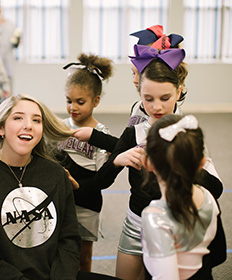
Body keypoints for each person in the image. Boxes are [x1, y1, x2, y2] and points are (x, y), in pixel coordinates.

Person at [74, 45, 223, 280]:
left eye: (165, 98)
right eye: (148, 99)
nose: (156, 107)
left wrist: (181, 165)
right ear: (139, 94)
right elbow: (100, 181)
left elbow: (216, 188)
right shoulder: (134, 133)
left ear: (179, 91)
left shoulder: (188, 134)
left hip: (179, 227)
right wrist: (117, 161)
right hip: (137, 223)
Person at [0, 94, 122, 280]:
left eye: (36, 120)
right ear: (0, 128)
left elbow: (69, 240)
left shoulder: (56, 174)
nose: (28, 125)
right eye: (18, 118)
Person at [141, 114, 225, 279]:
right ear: (202, 163)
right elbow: (219, 254)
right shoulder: (208, 197)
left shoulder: (155, 217)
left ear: (147, 162)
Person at [57, 53, 118, 272]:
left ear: (96, 101)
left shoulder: (101, 134)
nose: (73, 107)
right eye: (68, 101)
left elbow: (103, 175)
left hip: (87, 202)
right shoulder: (61, 127)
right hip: (62, 200)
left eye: (80, 102)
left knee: (83, 258)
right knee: (58, 250)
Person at [128, 25, 187, 127]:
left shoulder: (175, 123)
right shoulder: (137, 108)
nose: (134, 80)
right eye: (133, 73)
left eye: (139, 73)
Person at [0, 0, 22, 92]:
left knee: (9, 97)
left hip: (8, 67)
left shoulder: (10, 24)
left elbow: (15, 43)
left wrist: (18, 41)